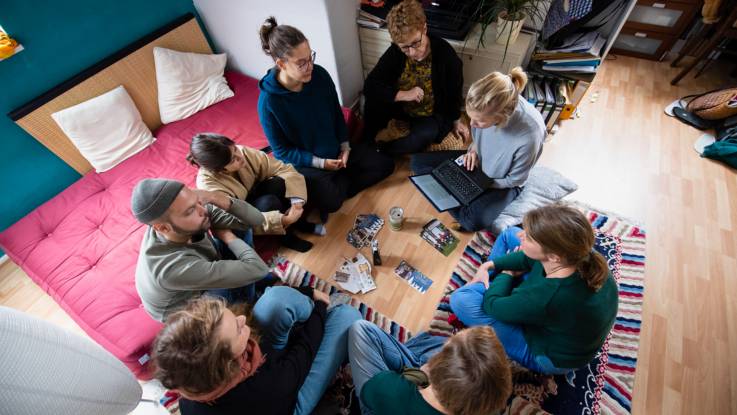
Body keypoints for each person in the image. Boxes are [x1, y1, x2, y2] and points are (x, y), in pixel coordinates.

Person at [448, 204, 619, 374]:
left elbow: (492, 305)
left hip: (551, 357)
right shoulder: (578, 253)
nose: (522, 234)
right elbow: (529, 258)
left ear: (553, 257)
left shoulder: (545, 298)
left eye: (529, 237)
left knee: (461, 300)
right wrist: (489, 265)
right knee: (509, 235)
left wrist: (507, 273)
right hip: (567, 323)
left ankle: (487, 285)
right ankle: (489, 283)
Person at [257, 17, 394, 218]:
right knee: (332, 203)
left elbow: (337, 114)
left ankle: (340, 178)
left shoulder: (319, 75)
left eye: (310, 57)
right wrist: (320, 163)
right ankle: (338, 180)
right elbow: (282, 151)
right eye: (301, 63)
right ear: (281, 64)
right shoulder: (268, 103)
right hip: (308, 163)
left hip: (336, 151)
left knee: (386, 165)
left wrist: (345, 147)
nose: (310, 66)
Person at [151, 286, 361, 415]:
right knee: (348, 316)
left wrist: (307, 292)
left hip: (268, 383)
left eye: (232, 317)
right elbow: (303, 354)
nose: (243, 318)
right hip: (284, 403)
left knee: (276, 301)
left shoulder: (189, 382)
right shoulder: (267, 388)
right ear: (229, 365)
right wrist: (320, 307)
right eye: (238, 328)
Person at [410, 67, 546, 232]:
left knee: (472, 221)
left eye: (479, 121)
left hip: (502, 181)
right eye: (470, 117)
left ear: (501, 117)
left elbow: (515, 180)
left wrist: (480, 185)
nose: (472, 125)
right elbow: (477, 140)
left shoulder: (530, 135)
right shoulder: (484, 109)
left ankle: (452, 191)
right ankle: (457, 194)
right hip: (478, 162)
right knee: (417, 163)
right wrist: (472, 150)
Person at [131, 178, 270, 322]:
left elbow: (257, 220)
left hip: (195, 275)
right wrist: (228, 237)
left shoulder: (187, 215)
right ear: (163, 228)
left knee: (238, 225)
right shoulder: (170, 269)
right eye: (190, 211)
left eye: (198, 201)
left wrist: (213, 196)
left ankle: (251, 284)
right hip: (186, 311)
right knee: (225, 287)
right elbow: (259, 270)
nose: (203, 210)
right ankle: (250, 305)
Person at [188, 133, 324, 253]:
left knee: (279, 183)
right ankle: (287, 237)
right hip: (242, 213)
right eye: (233, 160)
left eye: (235, 149)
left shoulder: (242, 152)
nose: (240, 156)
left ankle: (299, 221)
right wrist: (284, 220)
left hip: (254, 192)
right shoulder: (210, 186)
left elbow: (283, 169)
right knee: (269, 202)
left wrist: (297, 204)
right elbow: (236, 221)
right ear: (220, 170)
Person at [363, 0, 465, 155]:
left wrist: (456, 120)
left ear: (424, 28)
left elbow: (454, 93)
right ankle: (366, 144)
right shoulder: (396, 52)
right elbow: (370, 85)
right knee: (372, 101)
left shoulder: (446, 56)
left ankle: (381, 150)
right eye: (404, 47)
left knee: (426, 135)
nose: (412, 52)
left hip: (428, 115)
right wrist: (402, 95)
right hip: (400, 110)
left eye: (416, 43)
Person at [348, 320, 512, 415]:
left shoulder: (396, 392)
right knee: (432, 345)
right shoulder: (487, 400)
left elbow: (371, 392)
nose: (448, 340)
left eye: (450, 341)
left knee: (360, 328)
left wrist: (418, 373)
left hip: (384, 402)